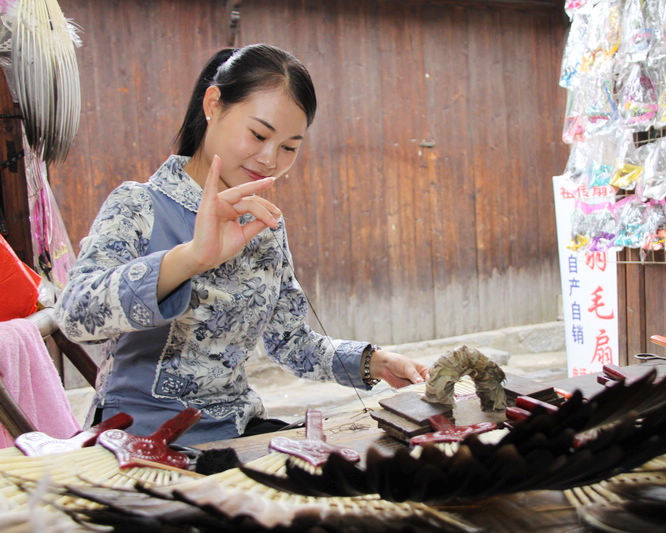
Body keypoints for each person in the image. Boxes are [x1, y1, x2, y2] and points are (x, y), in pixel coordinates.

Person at [56, 44, 428, 445]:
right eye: (258, 134)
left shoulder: (262, 224)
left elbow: (291, 341)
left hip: (237, 433)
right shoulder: (139, 205)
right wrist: (189, 258)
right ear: (213, 104)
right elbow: (75, 314)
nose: (270, 159)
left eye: (289, 147)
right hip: (140, 439)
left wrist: (373, 362)